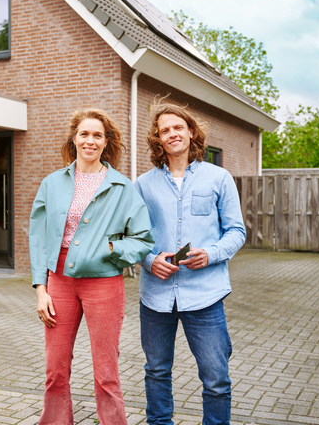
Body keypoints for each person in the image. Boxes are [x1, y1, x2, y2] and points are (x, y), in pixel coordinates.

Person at [29, 108, 154, 425]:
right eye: (84, 133)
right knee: (55, 369)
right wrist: (40, 288)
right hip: (59, 283)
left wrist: (111, 248)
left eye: (97, 135)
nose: (90, 140)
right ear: (74, 138)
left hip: (104, 285)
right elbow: (39, 238)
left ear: (106, 141)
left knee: (106, 372)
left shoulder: (123, 187)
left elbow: (142, 240)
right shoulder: (52, 184)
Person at [134, 102, 246, 425]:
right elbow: (130, 235)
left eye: (177, 127)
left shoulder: (219, 178)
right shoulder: (143, 185)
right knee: (156, 372)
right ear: (158, 139)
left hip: (205, 297)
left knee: (216, 379)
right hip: (156, 298)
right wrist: (149, 260)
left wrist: (210, 254)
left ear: (191, 131)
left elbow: (237, 232)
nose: (172, 134)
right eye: (164, 130)